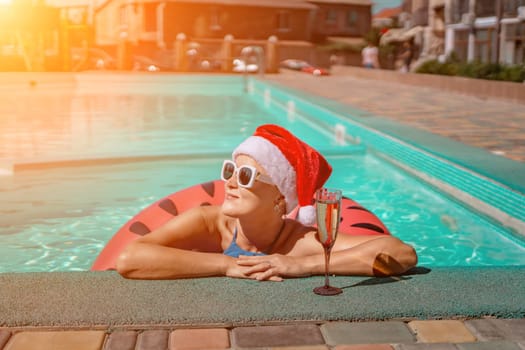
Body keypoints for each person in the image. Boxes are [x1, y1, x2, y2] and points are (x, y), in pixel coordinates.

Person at [116, 124, 417, 281]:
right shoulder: (208, 222)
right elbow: (130, 259)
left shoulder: (299, 242)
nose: (230, 182)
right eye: (230, 170)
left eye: (245, 175)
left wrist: (303, 266)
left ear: (279, 198)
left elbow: (400, 253)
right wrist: (226, 266)